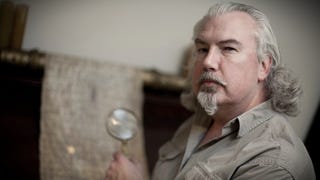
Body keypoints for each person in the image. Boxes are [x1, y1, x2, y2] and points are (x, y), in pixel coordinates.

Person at [105, 2, 316, 180]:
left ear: (263, 66)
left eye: (228, 48)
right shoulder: (202, 118)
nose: (207, 61)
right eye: (202, 49)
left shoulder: (274, 163)